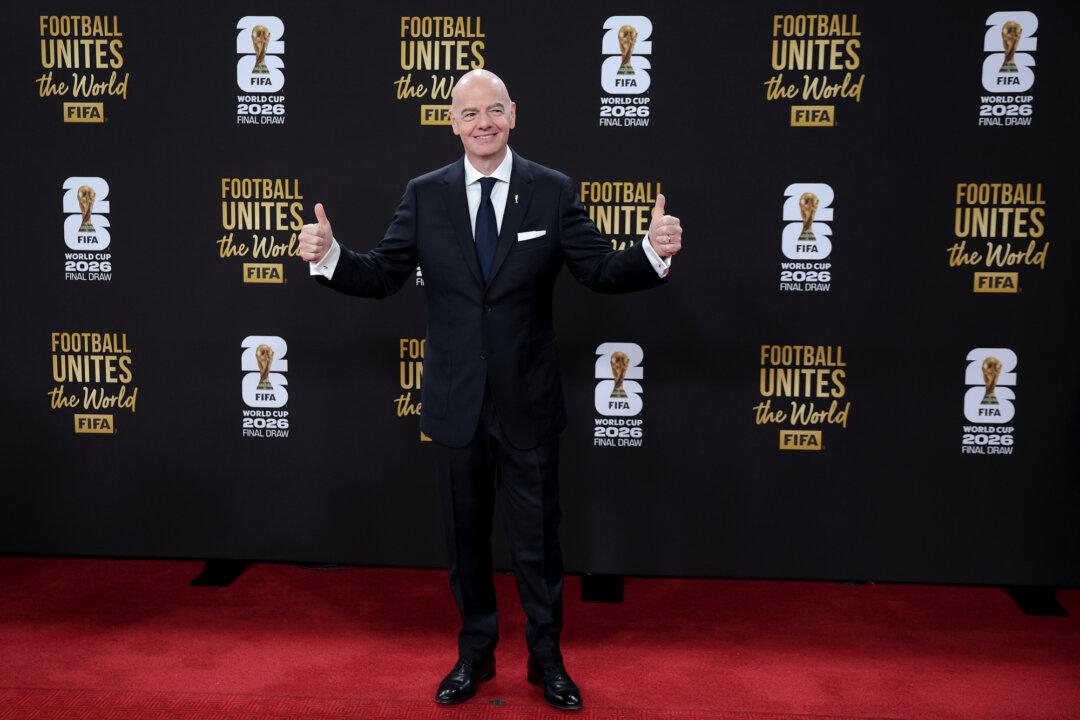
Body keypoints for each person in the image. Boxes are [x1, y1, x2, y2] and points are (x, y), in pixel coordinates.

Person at [299, 69, 683, 710]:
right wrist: (331, 255)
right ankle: (474, 655)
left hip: (528, 399)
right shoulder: (425, 195)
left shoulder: (551, 190)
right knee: (466, 541)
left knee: (538, 543)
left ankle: (546, 660)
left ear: (514, 114)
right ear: (453, 123)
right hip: (455, 402)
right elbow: (384, 274)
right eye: (471, 113)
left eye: (495, 110)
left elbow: (598, 269)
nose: (484, 123)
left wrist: (650, 250)